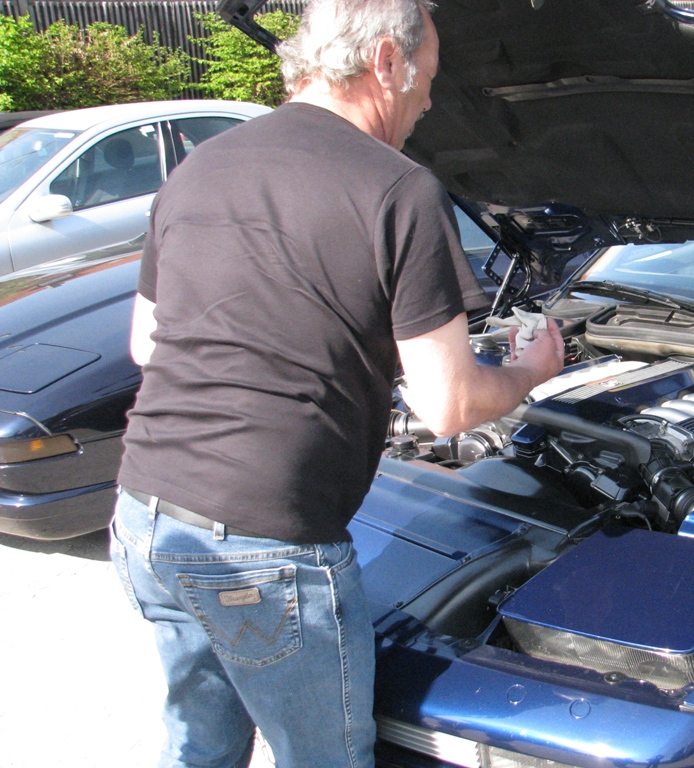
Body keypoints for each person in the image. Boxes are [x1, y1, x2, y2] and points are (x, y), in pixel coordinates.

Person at [110, 1, 564, 766]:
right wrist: (531, 371)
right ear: (386, 61)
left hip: (145, 517)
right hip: (262, 548)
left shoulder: (204, 164)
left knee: (201, 745)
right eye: (428, 78)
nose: (429, 102)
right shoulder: (397, 189)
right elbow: (449, 405)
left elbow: (145, 344)